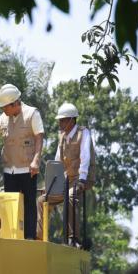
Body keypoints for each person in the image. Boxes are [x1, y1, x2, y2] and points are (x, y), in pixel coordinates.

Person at [0, 84, 44, 239]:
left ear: (14, 104)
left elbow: (39, 137)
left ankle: (29, 238)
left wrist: (36, 160)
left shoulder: (32, 113)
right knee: (10, 204)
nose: (3, 110)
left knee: (29, 205)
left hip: (27, 169)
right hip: (9, 170)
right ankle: (11, 236)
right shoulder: (5, 118)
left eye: (5, 107)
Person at [36, 103, 96, 244]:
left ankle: (72, 238)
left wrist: (82, 179)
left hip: (83, 178)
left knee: (70, 196)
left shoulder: (83, 133)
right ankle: (40, 237)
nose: (60, 123)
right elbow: (58, 161)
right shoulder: (62, 137)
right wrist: (50, 184)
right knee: (42, 200)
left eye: (62, 120)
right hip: (67, 179)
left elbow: (85, 157)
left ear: (71, 119)